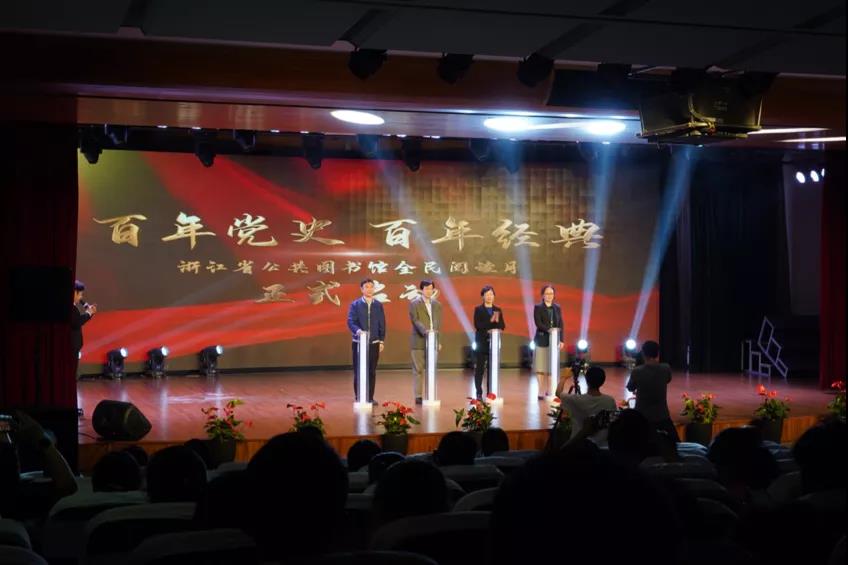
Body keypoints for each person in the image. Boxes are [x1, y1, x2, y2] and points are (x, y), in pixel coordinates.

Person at [626, 340, 680, 442]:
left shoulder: (637, 371)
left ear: (643, 353)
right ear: (657, 353)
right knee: (674, 443)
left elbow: (630, 387)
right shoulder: (666, 368)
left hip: (642, 415)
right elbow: (667, 380)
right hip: (662, 415)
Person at [347, 278, 386, 405]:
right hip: (359, 343)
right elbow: (351, 321)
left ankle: (370, 397)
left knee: (371, 371)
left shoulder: (378, 305)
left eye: (371, 287)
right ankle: (359, 396)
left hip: (374, 343)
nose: (369, 289)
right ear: (362, 289)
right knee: (359, 370)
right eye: (366, 287)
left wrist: (381, 340)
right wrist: (358, 331)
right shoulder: (355, 304)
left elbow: (382, 323)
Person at [559, 365, 617, 445]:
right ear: (603, 381)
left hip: (578, 445)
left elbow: (558, 392)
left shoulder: (576, 400)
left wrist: (564, 377)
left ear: (586, 380)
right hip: (601, 447)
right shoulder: (610, 401)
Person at [409, 279, 442, 405]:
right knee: (418, 370)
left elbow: (438, 325)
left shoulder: (437, 305)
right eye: (426, 288)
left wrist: (438, 340)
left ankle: (431, 393)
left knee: (431, 369)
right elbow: (415, 320)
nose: (429, 291)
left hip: (433, 341)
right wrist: (426, 331)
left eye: (431, 289)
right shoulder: (414, 304)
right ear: (421, 290)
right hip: (419, 340)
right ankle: (418, 396)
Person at [472, 285, 505, 401]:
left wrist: (496, 328)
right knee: (480, 369)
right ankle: (479, 392)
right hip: (481, 343)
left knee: (492, 369)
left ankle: (490, 392)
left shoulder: (497, 310)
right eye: (487, 295)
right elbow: (477, 325)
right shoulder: (478, 309)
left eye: (491, 294)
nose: (489, 297)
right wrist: (490, 326)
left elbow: (502, 325)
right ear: (483, 296)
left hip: (494, 344)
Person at [533, 284, 564, 400]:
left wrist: (561, 339)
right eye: (547, 293)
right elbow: (538, 323)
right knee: (541, 367)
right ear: (543, 295)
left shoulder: (557, 308)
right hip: (542, 339)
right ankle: (540, 390)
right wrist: (549, 330)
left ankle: (550, 390)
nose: (549, 296)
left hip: (554, 341)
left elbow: (561, 324)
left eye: (551, 293)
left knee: (552, 367)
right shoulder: (538, 307)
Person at [71, 279, 96, 378]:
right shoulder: (71, 309)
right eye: (80, 294)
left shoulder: (74, 306)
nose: (81, 297)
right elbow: (77, 322)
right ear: (74, 293)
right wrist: (89, 313)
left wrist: (89, 312)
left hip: (74, 346)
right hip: (71, 346)